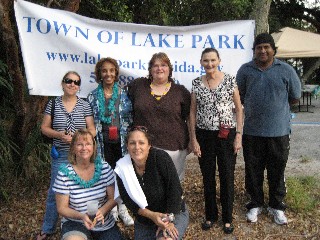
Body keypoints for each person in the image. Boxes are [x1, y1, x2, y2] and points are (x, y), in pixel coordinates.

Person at [236, 33, 301, 225]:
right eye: (259, 48)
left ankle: (277, 206)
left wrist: (278, 111)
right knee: (253, 169)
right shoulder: (245, 70)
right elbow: (239, 96)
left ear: (273, 50)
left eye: (266, 47)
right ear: (254, 51)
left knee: (277, 170)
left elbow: (295, 97)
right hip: (252, 132)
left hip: (279, 132)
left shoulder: (286, 70)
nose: (263, 51)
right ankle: (255, 203)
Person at [189, 48, 243, 234]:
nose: (209, 64)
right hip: (204, 136)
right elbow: (192, 112)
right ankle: (211, 215)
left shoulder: (229, 80)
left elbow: (239, 109)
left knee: (227, 175)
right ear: (201, 62)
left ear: (219, 60)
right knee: (208, 176)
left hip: (227, 135)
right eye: (206, 60)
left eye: (213, 60)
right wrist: (194, 139)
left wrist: (239, 135)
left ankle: (227, 218)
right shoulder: (196, 83)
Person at [37, 71, 96, 240]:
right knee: (54, 192)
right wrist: (59, 135)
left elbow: (92, 129)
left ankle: (87, 223)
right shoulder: (53, 104)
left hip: (82, 155)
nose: (72, 84)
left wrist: (80, 138)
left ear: (79, 86)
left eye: (76, 82)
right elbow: (44, 128)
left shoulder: (84, 105)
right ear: (62, 84)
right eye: (69, 81)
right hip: (62, 154)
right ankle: (48, 228)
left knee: (85, 189)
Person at [114, 126, 189, 240]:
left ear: (149, 145)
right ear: (127, 146)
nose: (137, 147)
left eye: (141, 143)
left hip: (173, 213)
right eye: (132, 143)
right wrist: (153, 216)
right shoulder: (122, 168)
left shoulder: (160, 158)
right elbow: (128, 201)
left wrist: (168, 221)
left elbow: (175, 190)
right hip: (146, 219)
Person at [128, 52, 191, 181]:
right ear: (150, 69)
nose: (159, 68)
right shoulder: (138, 86)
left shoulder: (180, 91)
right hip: (143, 146)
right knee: (146, 183)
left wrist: (192, 140)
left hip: (174, 147)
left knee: (172, 184)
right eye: (155, 65)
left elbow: (189, 117)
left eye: (163, 65)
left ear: (169, 69)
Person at [52, 129, 124, 240]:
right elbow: (62, 208)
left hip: (103, 223)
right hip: (75, 222)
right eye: (80, 144)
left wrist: (103, 210)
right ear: (73, 148)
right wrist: (81, 216)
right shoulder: (64, 174)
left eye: (88, 144)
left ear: (93, 147)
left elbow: (113, 198)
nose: (84, 148)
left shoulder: (104, 168)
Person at [87, 57, 134, 226]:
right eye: (104, 70)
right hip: (101, 142)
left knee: (121, 173)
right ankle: (112, 208)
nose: (108, 74)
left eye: (111, 70)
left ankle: (123, 207)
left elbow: (130, 117)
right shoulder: (92, 96)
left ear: (116, 73)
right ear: (99, 73)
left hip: (121, 143)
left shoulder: (124, 94)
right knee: (106, 175)